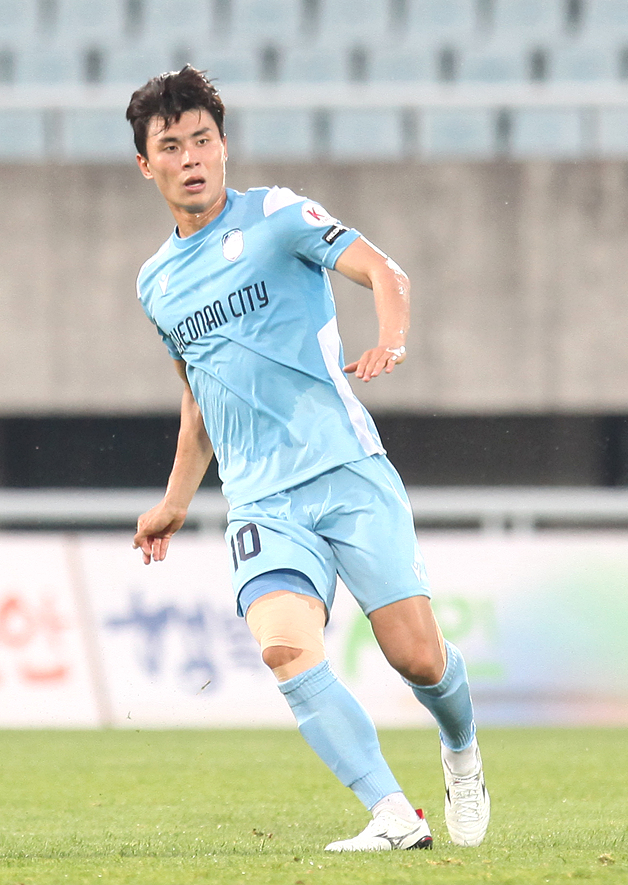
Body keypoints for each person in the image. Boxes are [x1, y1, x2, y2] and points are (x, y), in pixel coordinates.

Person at [129, 66, 490, 853]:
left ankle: (461, 752)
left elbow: (383, 271)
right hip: (262, 500)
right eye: (172, 146)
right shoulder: (156, 284)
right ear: (146, 164)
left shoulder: (277, 216)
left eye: (202, 141)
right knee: (285, 648)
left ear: (224, 146)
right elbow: (200, 395)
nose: (191, 159)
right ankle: (393, 813)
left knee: (417, 658)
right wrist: (175, 501)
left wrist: (391, 339)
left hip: (344, 469)